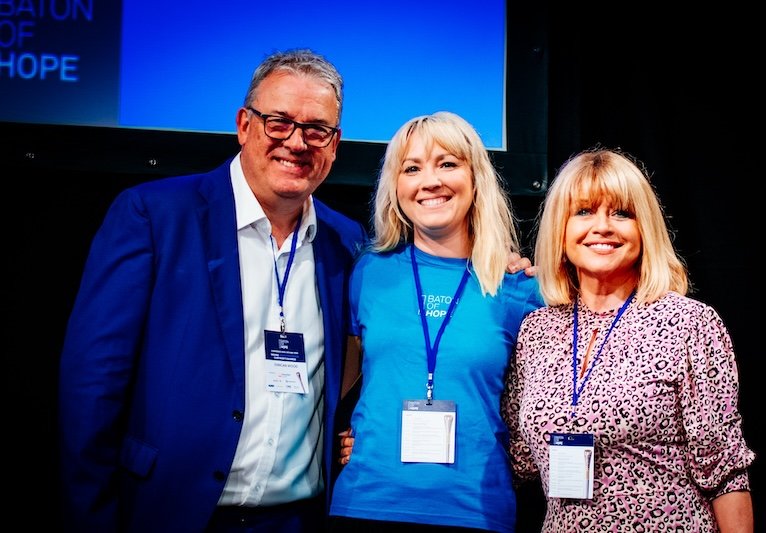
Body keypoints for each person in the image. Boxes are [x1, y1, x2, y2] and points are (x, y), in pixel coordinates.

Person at [57, 49, 368, 532]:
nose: (297, 142)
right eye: (279, 122)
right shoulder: (154, 216)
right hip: (169, 511)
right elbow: (92, 385)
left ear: (334, 143)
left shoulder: (345, 243)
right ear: (245, 125)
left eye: (316, 130)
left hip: (298, 520)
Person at [501, 148, 755, 532]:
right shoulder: (536, 329)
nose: (602, 226)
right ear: (560, 228)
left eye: (621, 213)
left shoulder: (690, 323)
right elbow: (518, 458)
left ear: (644, 229)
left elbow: (724, 471)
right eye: (583, 212)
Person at [328, 111, 545, 532]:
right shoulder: (369, 272)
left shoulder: (519, 288)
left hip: (475, 510)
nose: (430, 181)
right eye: (412, 168)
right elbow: (339, 382)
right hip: (366, 503)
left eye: (447, 163)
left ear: (475, 177)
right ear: (396, 187)